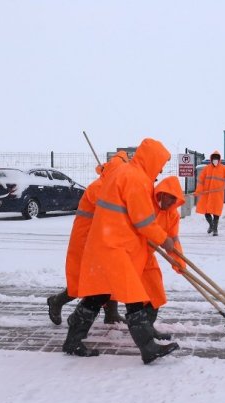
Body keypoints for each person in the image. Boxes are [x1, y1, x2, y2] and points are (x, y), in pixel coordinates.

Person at [63, 137, 179, 364]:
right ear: (152, 159)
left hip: (108, 243)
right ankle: (148, 348)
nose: (160, 170)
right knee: (134, 295)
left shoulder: (125, 173)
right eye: (161, 164)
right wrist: (163, 239)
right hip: (114, 246)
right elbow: (143, 220)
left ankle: (72, 341)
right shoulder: (136, 179)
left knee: (98, 296)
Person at [46, 151, 129, 325]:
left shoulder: (110, 185)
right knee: (85, 280)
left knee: (108, 275)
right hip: (86, 240)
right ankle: (57, 301)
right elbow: (112, 211)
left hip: (101, 239)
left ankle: (111, 313)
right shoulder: (100, 187)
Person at [139, 175, 187, 340]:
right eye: (170, 197)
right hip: (132, 253)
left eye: (176, 199)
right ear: (163, 193)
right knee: (107, 292)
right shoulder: (147, 205)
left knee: (156, 291)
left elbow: (172, 240)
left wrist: (179, 263)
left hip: (148, 256)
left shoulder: (172, 215)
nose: (172, 202)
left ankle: (147, 329)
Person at [195, 150, 225, 236]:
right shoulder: (207, 169)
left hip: (217, 194)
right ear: (211, 159)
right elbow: (200, 181)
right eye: (214, 159)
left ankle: (215, 229)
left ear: (219, 160)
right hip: (207, 194)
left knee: (216, 212)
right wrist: (198, 190)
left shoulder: (223, 168)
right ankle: (211, 225)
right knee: (206, 211)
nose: (215, 160)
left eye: (217, 159)